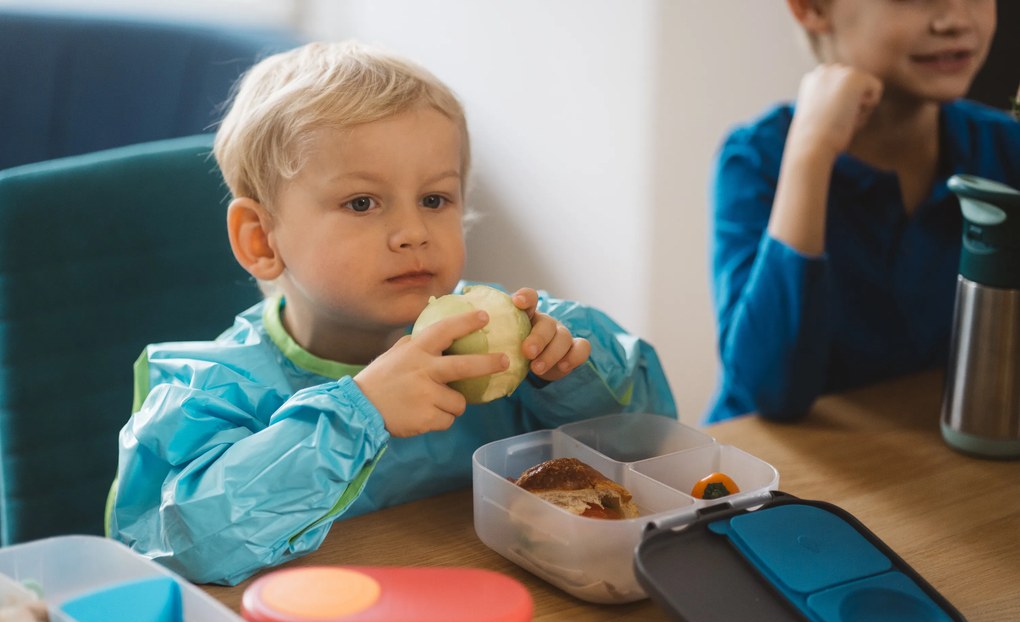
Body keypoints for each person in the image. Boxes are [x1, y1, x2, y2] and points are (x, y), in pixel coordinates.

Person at [106, 41, 677, 585]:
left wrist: (571, 380)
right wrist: (362, 411)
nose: (412, 233)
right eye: (362, 203)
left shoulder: (501, 337)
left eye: (435, 199)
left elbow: (654, 448)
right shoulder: (211, 393)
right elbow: (181, 545)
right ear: (261, 239)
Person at [706, 0, 1020, 424]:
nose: (957, 21)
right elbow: (771, 391)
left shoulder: (1005, 147)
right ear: (811, 8)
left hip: (928, 459)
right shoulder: (758, 157)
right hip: (774, 474)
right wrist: (812, 152)